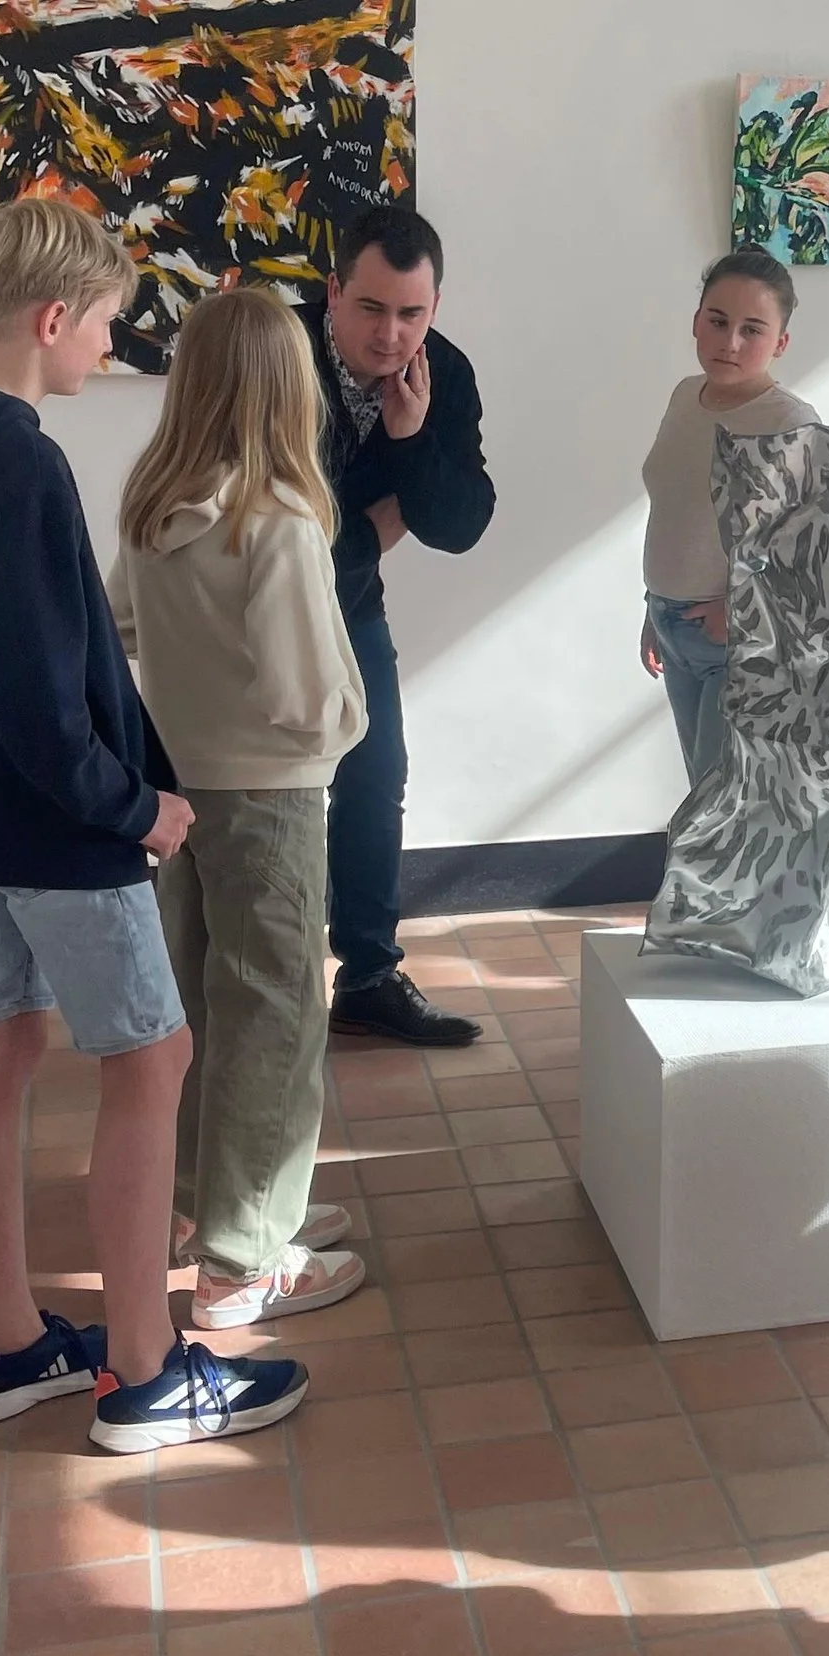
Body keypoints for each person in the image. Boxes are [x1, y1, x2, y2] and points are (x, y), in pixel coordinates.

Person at [0, 196, 307, 1453]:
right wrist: (133, 807)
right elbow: (37, 697)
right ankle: (148, 1374)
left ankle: (4, 1343)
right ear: (52, 319)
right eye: (104, 326)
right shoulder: (20, 459)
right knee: (153, 1064)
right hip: (60, 832)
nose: (109, 349)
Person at [111, 287, 370, 1332]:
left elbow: (119, 622)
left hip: (179, 791)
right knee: (276, 1015)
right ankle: (244, 1260)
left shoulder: (151, 500)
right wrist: (348, 728)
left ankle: (206, 1207)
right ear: (286, 387)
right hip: (271, 797)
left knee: (202, 1000)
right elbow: (307, 694)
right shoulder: (278, 516)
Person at [302, 206, 498, 1049]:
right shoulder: (273, 348)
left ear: (435, 305)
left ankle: (369, 976)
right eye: (372, 309)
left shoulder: (440, 374)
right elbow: (250, 502)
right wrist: (373, 527)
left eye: (412, 313)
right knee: (257, 792)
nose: (391, 335)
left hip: (348, 602)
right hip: (241, 604)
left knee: (377, 773)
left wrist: (412, 442)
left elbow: (461, 521)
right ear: (334, 291)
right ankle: (238, 971)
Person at [641, 248, 818, 784]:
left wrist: (739, 612)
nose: (730, 342)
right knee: (705, 790)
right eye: (718, 322)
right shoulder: (683, 396)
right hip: (671, 624)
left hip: (737, 638)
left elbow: (814, 551)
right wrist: (654, 611)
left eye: (752, 329)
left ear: (780, 343)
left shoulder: (790, 421)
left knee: (724, 806)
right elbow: (677, 512)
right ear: (697, 321)